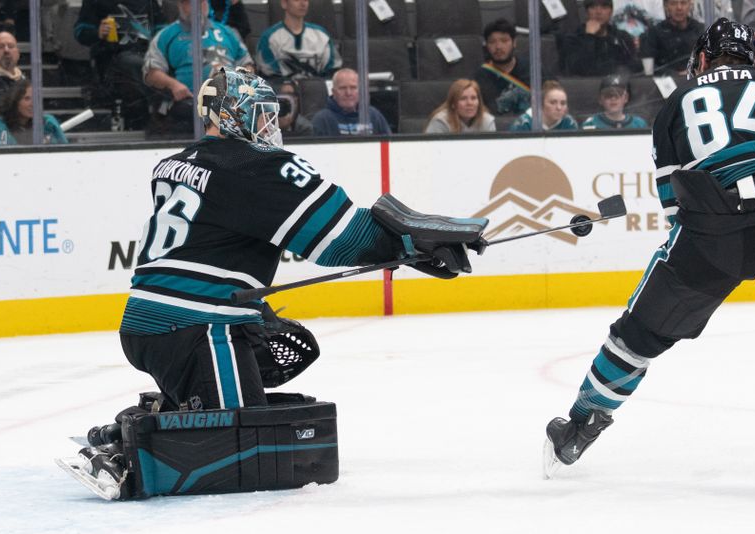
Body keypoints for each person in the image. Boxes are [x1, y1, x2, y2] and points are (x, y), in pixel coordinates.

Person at [62, 66, 487, 500]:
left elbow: (210, 247)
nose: (271, 125)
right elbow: (342, 241)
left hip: (147, 323)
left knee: (233, 423)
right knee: (243, 450)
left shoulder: (177, 163)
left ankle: (124, 431)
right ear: (229, 116)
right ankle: (124, 452)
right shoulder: (254, 164)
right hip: (200, 329)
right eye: (260, 114)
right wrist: (417, 241)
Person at [543, 18, 755, 478]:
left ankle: (579, 429)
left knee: (636, 338)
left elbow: (675, 207)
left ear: (702, 58)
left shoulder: (673, 106)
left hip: (709, 235)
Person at [142, 0, 253, 132]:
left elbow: (247, 65)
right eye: (189, 3)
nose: (197, 7)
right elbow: (151, 73)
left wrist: (240, 82)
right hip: (189, 104)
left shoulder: (228, 32)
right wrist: (174, 85)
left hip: (230, 101)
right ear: (180, 5)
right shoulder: (166, 35)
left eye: (201, 2)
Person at [74, 0, 167, 129]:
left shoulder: (149, 2)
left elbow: (162, 30)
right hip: (110, 61)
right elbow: (80, 31)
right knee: (133, 66)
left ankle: (159, 115)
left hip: (147, 59)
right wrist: (97, 32)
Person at [256, 0, 342, 79]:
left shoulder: (322, 35)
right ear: (284, 3)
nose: (303, 3)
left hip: (317, 91)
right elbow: (269, 74)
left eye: (305, 0)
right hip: (282, 92)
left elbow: (332, 71)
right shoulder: (269, 38)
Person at [559, 0, 641, 76]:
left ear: (611, 12)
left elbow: (634, 68)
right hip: (586, 87)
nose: (598, 12)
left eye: (604, 7)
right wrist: (589, 37)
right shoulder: (573, 39)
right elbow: (580, 70)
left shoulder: (621, 37)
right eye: (593, 7)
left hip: (618, 85)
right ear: (586, 12)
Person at [474, 18, 532, 116]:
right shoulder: (479, 77)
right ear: (486, 45)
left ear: (514, 43)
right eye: (492, 42)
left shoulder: (532, 70)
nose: (498, 47)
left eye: (504, 41)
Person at [311, 68, 391, 136]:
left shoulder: (374, 115)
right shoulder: (322, 120)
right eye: (342, 88)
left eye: (353, 88)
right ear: (334, 92)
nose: (348, 93)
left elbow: (390, 146)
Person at [640, 0, 705, 74]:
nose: (679, 8)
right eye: (673, 3)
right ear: (666, 6)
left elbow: (712, 60)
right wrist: (676, 74)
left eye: (683, 3)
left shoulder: (701, 30)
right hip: (666, 82)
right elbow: (649, 68)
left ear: (690, 5)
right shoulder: (654, 33)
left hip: (698, 80)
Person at [0, 80, 68, 145]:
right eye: (27, 98)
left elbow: (65, 150)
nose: (33, 104)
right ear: (15, 101)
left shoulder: (48, 123)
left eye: (36, 98)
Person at [424, 79, 495, 134]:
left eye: (473, 98)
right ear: (453, 104)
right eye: (463, 98)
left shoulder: (487, 121)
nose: (470, 103)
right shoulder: (441, 121)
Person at [581, 74, 649, 129]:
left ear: (626, 98)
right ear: (600, 99)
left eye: (618, 94)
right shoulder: (590, 124)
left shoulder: (639, 124)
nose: (613, 98)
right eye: (608, 94)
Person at [509, 80, 579, 131]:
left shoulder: (569, 123)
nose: (559, 107)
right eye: (553, 102)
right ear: (541, 104)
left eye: (563, 103)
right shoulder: (524, 124)